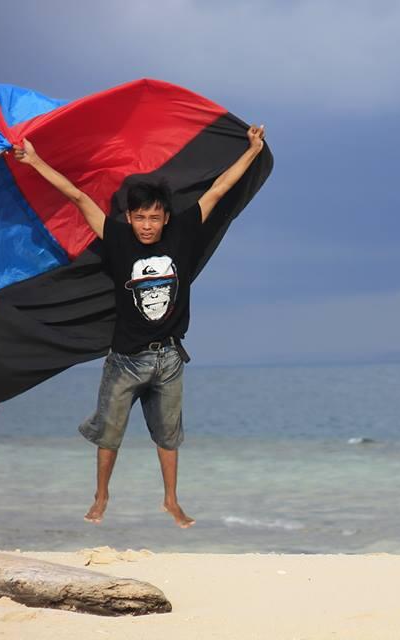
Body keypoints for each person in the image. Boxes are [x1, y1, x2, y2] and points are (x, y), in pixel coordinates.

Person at [14, 124, 266, 528]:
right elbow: (77, 195)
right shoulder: (117, 237)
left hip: (169, 358)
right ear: (128, 218)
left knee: (169, 437)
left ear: (166, 218)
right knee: (108, 435)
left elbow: (218, 190)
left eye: (154, 217)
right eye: (139, 217)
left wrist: (253, 150)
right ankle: (100, 496)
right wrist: (33, 159)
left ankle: (171, 500)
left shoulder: (182, 231)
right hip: (125, 359)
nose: (147, 225)